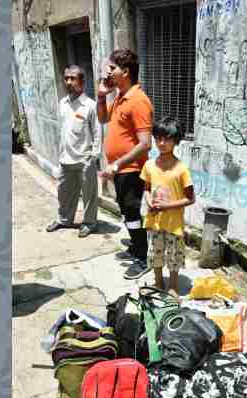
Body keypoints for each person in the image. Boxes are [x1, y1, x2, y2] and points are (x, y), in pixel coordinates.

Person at [96, 49, 153, 280]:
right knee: (126, 211)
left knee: (132, 212)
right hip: (121, 170)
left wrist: (117, 164)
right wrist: (101, 96)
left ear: (125, 72)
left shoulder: (138, 100)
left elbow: (145, 144)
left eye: (112, 68)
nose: (107, 72)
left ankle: (142, 258)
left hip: (131, 170)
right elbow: (102, 119)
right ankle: (135, 247)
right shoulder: (120, 96)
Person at [140, 117, 195, 296]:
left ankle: (173, 285)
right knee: (155, 253)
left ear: (176, 140)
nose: (162, 143)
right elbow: (147, 189)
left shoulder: (181, 169)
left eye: (167, 139)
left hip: (173, 223)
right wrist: (149, 201)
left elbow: (190, 198)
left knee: (173, 255)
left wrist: (167, 205)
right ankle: (157, 281)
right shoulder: (149, 165)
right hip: (155, 220)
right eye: (158, 138)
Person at [47, 65, 100, 238]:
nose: (68, 82)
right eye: (66, 78)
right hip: (65, 159)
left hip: (84, 159)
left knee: (89, 195)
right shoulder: (62, 103)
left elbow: (97, 133)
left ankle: (89, 223)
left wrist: (93, 156)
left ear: (82, 82)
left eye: (73, 78)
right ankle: (64, 220)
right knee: (64, 192)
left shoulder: (90, 105)